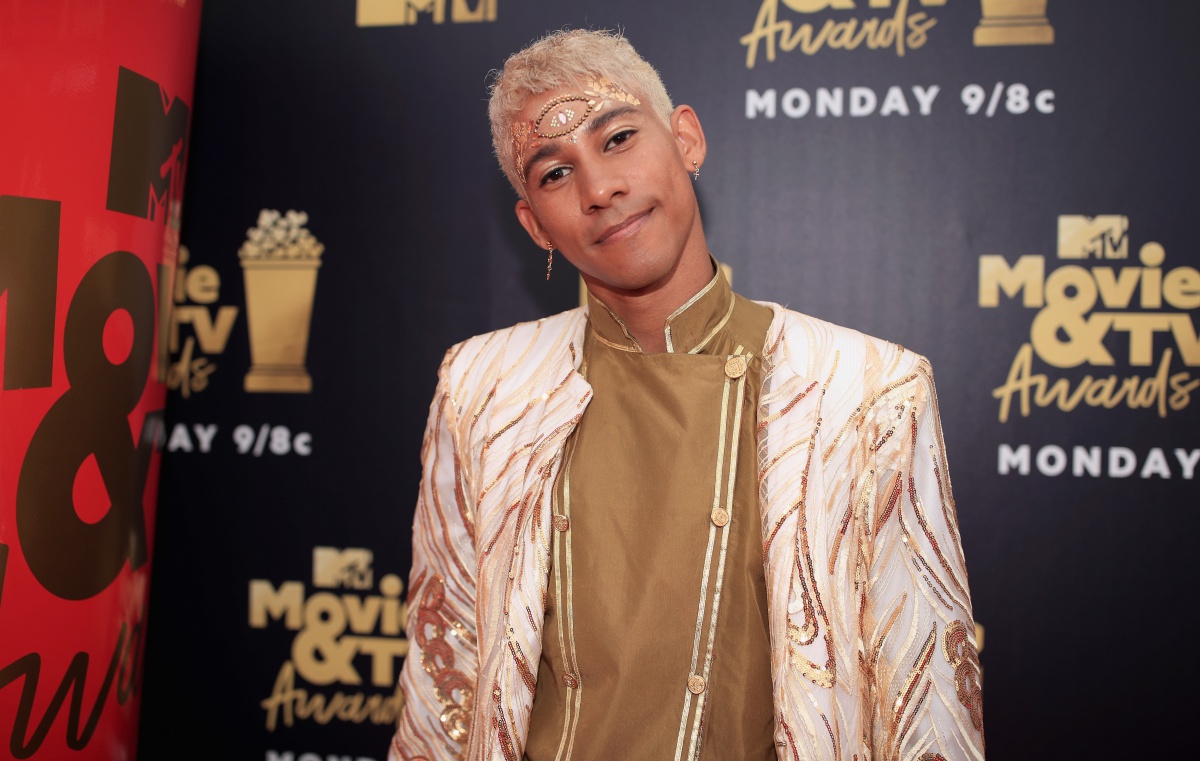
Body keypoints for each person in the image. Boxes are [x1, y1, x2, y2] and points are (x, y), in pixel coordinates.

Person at [391, 29, 983, 761]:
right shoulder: (484, 385)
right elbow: (442, 668)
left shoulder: (865, 389)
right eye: (553, 174)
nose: (599, 189)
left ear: (687, 140)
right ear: (534, 225)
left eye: (618, 139)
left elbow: (924, 697)